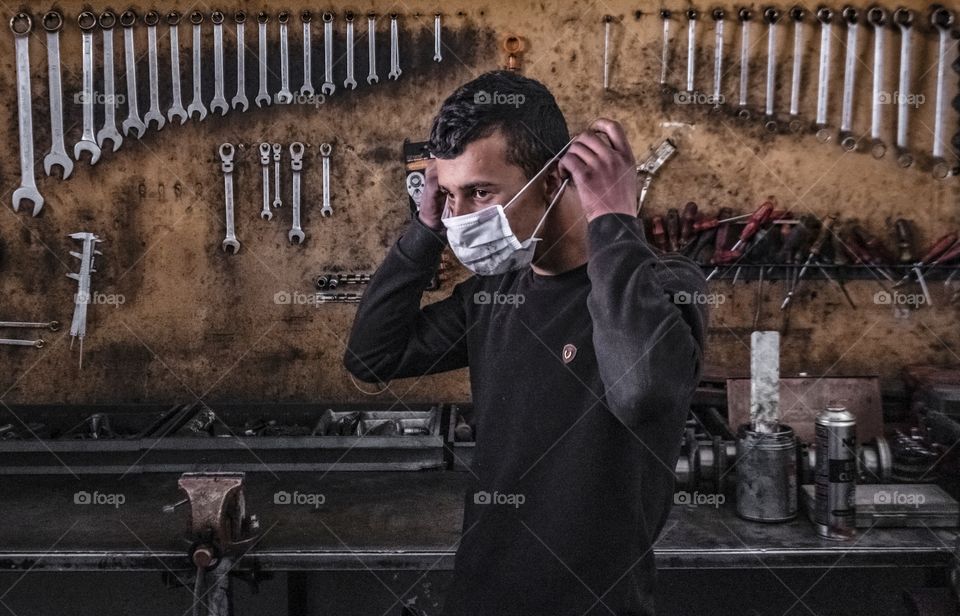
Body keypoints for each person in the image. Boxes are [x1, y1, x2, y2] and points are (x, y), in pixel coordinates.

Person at [344, 70, 709, 616]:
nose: (461, 218)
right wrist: (423, 234)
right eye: (449, 195)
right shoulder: (495, 297)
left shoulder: (665, 289)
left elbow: (640, 390)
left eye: (481, 192)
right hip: (479, 596)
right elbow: (372, 358)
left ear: (551, 179)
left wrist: (613, 218)